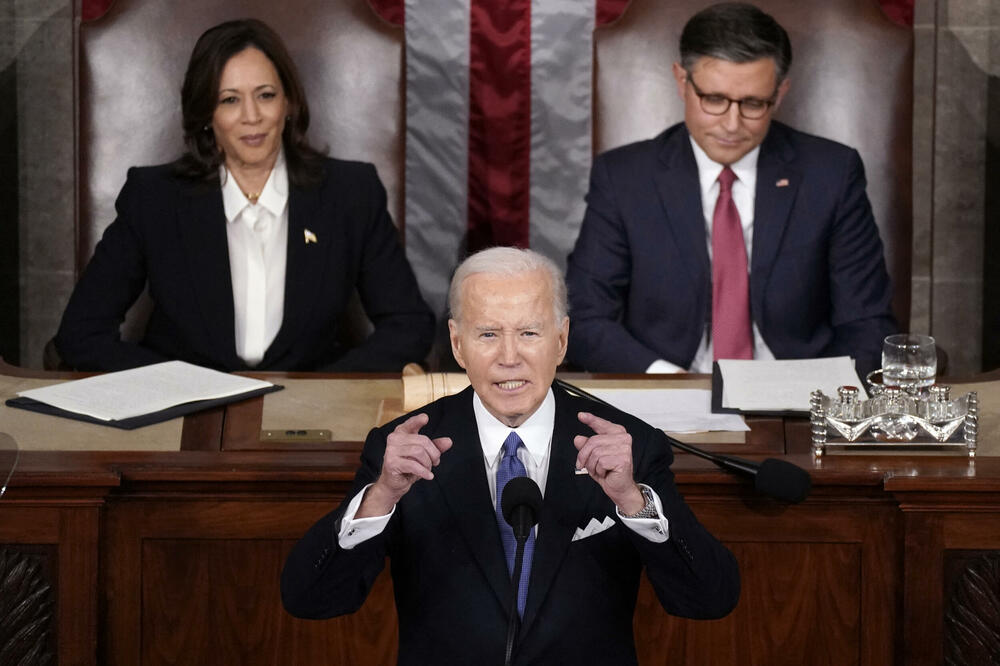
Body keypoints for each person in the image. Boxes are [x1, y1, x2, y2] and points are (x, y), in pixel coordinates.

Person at [281, 247, 739, 664]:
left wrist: (633, 502)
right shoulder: (403, 449)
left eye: (529, 332)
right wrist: (380, 497)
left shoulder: (626, 444)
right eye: (487, 334)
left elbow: (710, 599)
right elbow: (310, 600)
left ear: (561, 341)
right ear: (457, 345)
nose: (509, 357)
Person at [54, 19, 433, 372]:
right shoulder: (154, 198)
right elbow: (81, 334)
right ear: (206, 114)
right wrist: (172, 388)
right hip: (184, 423)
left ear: (288, 103)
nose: (251, 116)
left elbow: (408, 325)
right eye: (230, 100)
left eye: (265, 95)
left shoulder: (350, 193)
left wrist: (323, 393)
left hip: (308, 427)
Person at [565, 2, 897, 377]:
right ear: (681, 82)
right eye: (714, 99)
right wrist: (673, 383)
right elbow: (586, 319)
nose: (732, 123)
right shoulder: (624, 177)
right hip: (667, 391)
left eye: (754, 103)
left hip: (796, 398)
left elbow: (867, 323)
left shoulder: (832, 174)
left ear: (780, 93)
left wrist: (819, 396)